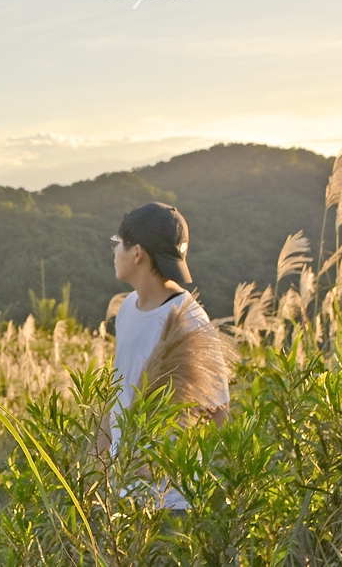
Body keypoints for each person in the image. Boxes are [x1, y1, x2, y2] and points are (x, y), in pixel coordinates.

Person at [95, 202, 230, 511]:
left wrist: (182, 475)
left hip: (171, 505)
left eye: (118, 244)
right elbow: (120, 390)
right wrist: (97, 466)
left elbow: (219, 413)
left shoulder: (187, 320)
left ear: (137, 253)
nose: (115, 252)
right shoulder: (128, 307)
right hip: (122, 496)